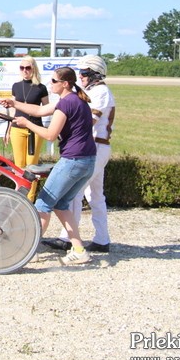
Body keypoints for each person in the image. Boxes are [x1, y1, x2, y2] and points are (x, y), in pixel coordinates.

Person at [0, 67, 96, 265]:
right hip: (87, 162)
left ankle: (28, 250)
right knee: (61, 205)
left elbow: (50, 135)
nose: (50, 84)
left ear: (65, 84)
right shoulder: (75, 100)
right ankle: (78, 249)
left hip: (72, 161)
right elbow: (39, 110)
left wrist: (27, 124)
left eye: (53, 81)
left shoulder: (66, 104)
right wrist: (14, 103)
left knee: (42, 205)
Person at [43, 56, 116, 253]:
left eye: (84, 74)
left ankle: (68, 239)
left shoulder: (100, 92)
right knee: (95, 196)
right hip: (97, 148)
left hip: (96, 147)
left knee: (74, 193)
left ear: (95, 75)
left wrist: (60, 126)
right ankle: (102, 239)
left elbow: (87, 123)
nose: (81, 77)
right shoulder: (91, 92)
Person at [5, 56, 49, 200]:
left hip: (34, 129)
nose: (25, 71)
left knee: (32, 165)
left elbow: (47, 108)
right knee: (19, 165)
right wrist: (8, 128)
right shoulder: (16, 86)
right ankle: (19, 197)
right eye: (22, 68)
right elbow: (13, 110)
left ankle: (30, 200)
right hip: (17, 128)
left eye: (28, 68)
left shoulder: (41, 88)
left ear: (33, 69)